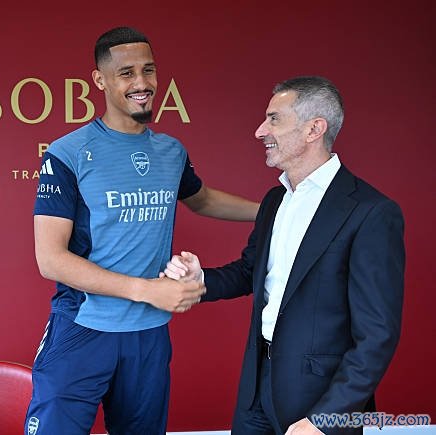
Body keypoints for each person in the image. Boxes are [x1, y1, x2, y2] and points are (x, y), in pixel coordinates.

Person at [24, 26, 259, 435]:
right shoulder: (67, 153)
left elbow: (202, 200)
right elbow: (51, 259)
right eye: (126, 73)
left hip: (147, 334)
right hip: (83, 328)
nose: (142, 83)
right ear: (100, 80)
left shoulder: (171, 151)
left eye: (148, 70)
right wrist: (147, 290)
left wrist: (274, 210)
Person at [164, 76, 405, 435]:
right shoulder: (275, 200)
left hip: (320, 402)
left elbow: (377, 336)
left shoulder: (371, 212)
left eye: (274, 119)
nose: (260, 131)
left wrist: (325, 419)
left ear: (314, 129)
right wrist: (202, 279)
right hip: (255, 391)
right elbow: (250, 271)